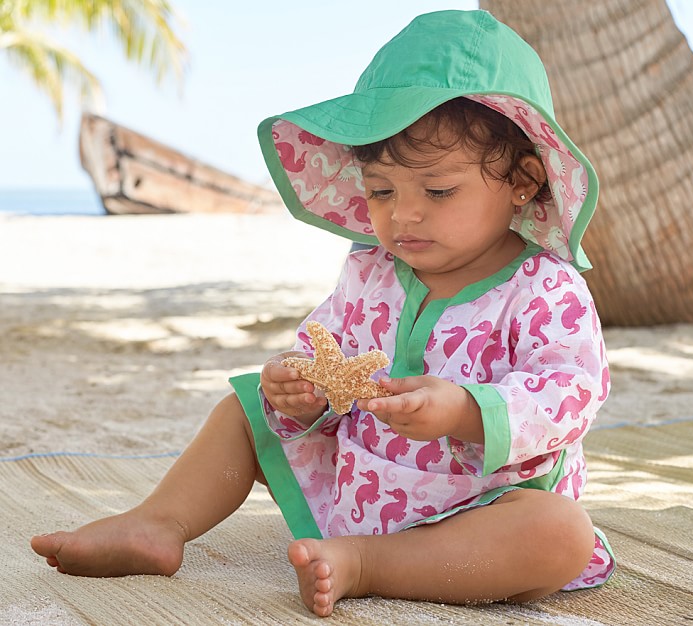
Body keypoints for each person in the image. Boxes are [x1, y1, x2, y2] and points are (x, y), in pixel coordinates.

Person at [31, 10, 615, 617]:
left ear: (523, 181)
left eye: (438, 192)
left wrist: (468, 410)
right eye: (381, 191)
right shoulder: (370, 270)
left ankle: (367, 564)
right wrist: (298, 383)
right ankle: (157, 523)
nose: (403, 216)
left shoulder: (545, 288)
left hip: (484, 507)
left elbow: (570, 390)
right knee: (245, 407)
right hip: (364, 488)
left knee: (559, 535)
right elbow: (326, 345)